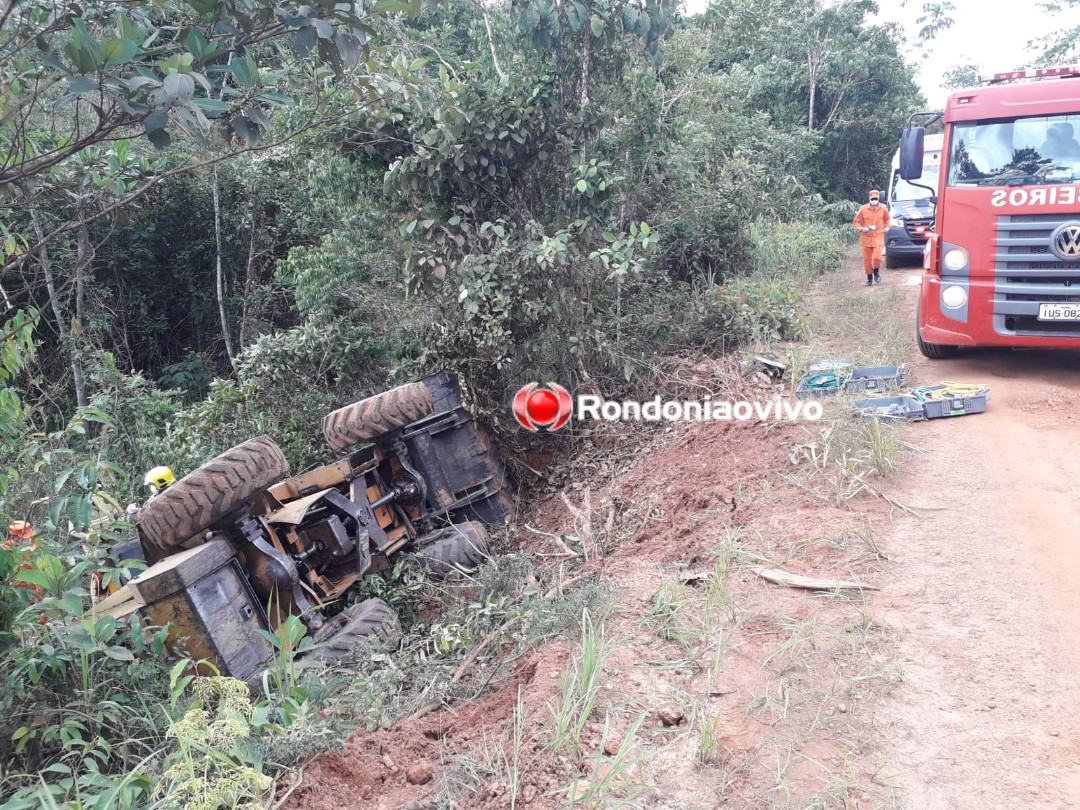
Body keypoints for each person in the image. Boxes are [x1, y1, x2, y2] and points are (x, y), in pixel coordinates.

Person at [852, 189, 890, 286]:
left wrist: (887, 227)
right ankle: (869, 278)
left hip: (878, 236)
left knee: (877, 257)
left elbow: (887, 219)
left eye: (876, 198)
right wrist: (862, 229)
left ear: (878, 198)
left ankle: (876, 271)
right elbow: (856, 222)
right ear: (869, 199)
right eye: (872, 199)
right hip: (866, 238)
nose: (874, 200)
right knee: (867, 260)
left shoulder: (883, 208)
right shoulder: (863, 209)